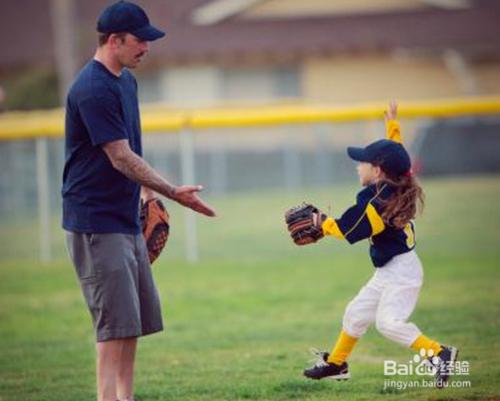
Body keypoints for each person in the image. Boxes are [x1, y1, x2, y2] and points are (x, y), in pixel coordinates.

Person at [62, 2, 216, 401]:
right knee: (113, 324)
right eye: (140, 40)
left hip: (125, 216)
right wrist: (172, 192)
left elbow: (131, 149)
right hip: (96, 222)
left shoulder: (124, 81)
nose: (147, 46)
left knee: (132, 322)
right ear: (115, 41)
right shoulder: (92, 88)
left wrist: (146, 195)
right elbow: (119, 155)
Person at [303, 102, 458, 387]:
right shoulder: (398, 179)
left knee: (388, 324)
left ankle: (439, 353)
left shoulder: (376, 202)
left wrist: (320, 222)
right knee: (356, 313)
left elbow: (347, 228)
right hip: (391, 269)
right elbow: (398, 156)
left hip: (402, 273)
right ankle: (337, 363)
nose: (357, 166)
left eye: (362, 162)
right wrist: (393, 128)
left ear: (377, 170)